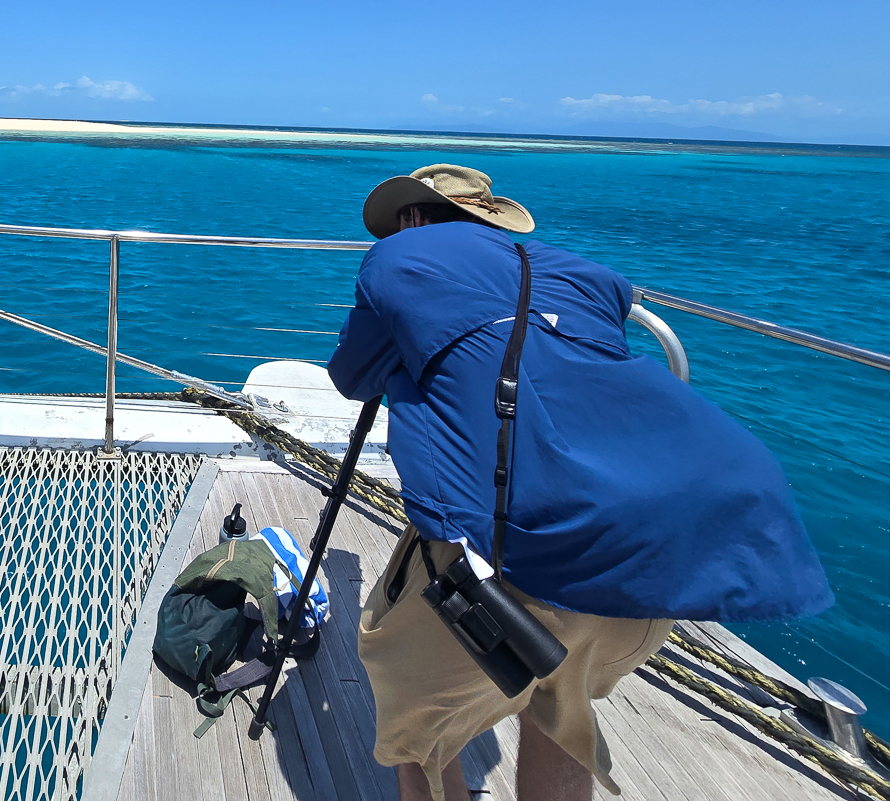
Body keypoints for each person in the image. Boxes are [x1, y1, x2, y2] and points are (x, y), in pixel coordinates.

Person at [327, 164, 831, 801]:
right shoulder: (582, 274)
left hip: (517, 551)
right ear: (490, 220)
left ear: (414, 219)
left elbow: (354, 376)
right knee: (561, 715)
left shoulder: (400, 256)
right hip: (667, 544)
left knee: (413, 727)